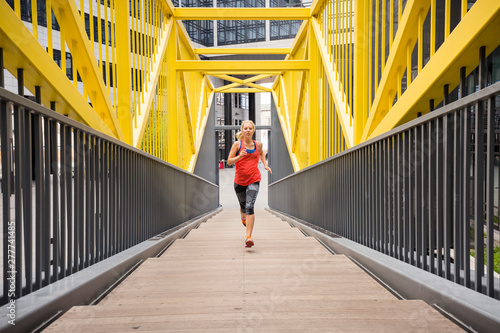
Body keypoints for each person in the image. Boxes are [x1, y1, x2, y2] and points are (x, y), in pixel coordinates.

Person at [227, 120, 272, 248]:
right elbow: (229, 162)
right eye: (245, 128)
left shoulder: (258, 145)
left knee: (249, 206)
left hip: (254, 179)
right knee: (243, 207)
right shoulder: (237, 145)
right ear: (242, 130)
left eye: (250, 128)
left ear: (253, 130)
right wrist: (239, 156)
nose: (247, 130)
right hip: (239, 182)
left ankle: (248, 237)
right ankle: (243, 218)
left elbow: (262, 153)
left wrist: (265, 165)